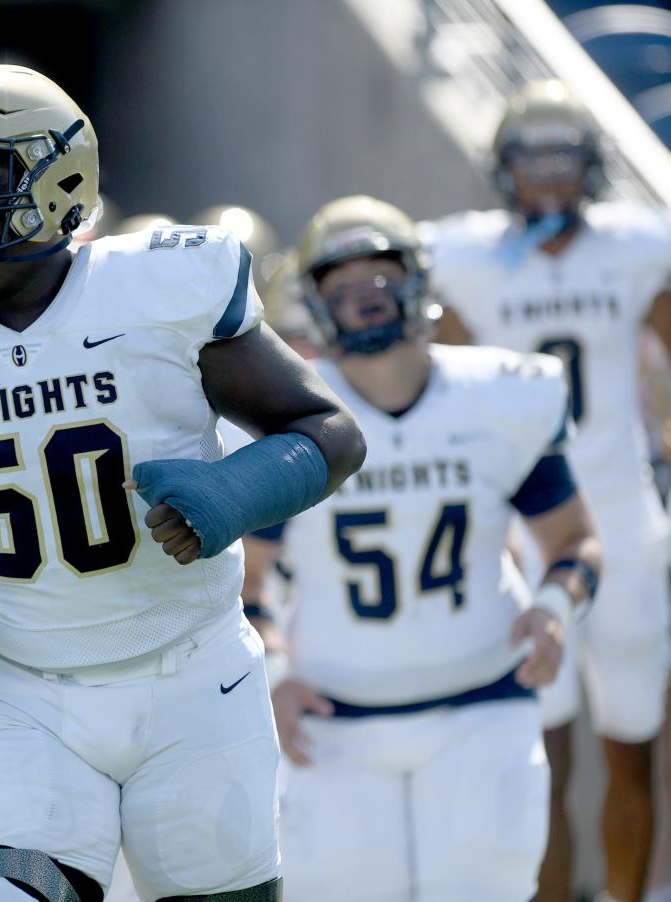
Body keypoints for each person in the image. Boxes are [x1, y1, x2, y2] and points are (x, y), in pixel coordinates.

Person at [0, 63, 366, 902]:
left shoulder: (156, 290)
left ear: (62, 177)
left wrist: (235, 494)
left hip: (191, 678)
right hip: (19, 690)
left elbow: (329, 431)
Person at [241, 194, 600, 900]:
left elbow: (574, 540)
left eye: (378, 281)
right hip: (334, 722)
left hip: (483, 704)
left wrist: (555, 605)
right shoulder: (288, 417)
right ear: (313, 306)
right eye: (340, 289)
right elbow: (243, 587)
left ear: (418, 282)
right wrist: (276, 675)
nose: (364, 303)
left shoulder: (498, 396)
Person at [423, 79, 671, 902]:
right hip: (530, 528)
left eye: (565, 159)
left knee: (631, 744)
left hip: (626, 523)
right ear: (504, 171)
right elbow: (439, 392)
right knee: (543, 751)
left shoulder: (636, 247)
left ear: (593, 166)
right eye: (534, 161)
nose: (550, 180)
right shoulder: (466, 259)